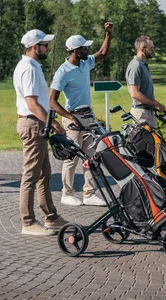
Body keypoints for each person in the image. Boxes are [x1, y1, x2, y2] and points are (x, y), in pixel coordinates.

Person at [49, 22, 113, 207]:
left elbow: (103, 53)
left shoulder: (86, 63)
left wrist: (108, 34)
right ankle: (67, 193)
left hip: (88, 116)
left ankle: (89, 193)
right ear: (76, 50)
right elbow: (52, 100)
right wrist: (70, 117)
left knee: (92, 156)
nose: (88, 50)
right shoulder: (62, 72)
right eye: (85, 48)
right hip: (73, 118)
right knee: (72, 158)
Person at [13, 29, 67, 236]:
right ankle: (28, 222)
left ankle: (51, 217)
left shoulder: (31, 66)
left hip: (35, 124)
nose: (47, 48)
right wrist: (54, 124)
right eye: (44, 45)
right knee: (31, 175)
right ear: (35, 47)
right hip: (33, 124)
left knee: (44, 174)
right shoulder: (29, 69)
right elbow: (32, 104)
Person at [125, 36, 166, 128]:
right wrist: (155, 103)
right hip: (141, 114)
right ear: (143, 49)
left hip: (147, 112)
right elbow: (135, 93)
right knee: (145, 142)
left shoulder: (143, 65)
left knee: (152, 142)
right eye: (151, 48)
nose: (153, 50)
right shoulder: (136, 66)